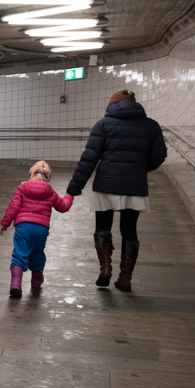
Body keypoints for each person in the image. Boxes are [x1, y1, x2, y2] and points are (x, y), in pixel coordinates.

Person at [67, 88, 168, 292]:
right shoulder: (151, 126)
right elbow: (159, 156)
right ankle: (125, 278)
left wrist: (74, 187)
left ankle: (105, 268)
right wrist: (140, 168)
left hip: (107, 183)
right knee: (129, 230)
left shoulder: (103, 124)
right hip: (135, 185)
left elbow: (89, 158)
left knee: (103, 227)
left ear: (112, 104)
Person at [0, 160, 74, 298]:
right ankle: (36, 282)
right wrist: (70, 195)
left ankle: (15, 284)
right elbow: (63, 207)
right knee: (38, 253)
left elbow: (13, 207)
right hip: (41, 229)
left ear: (30, 174)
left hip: (23, 227)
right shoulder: (50, 191)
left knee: (19, 254)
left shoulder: (22, 188)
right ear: (48, 177)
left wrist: (5, 223)